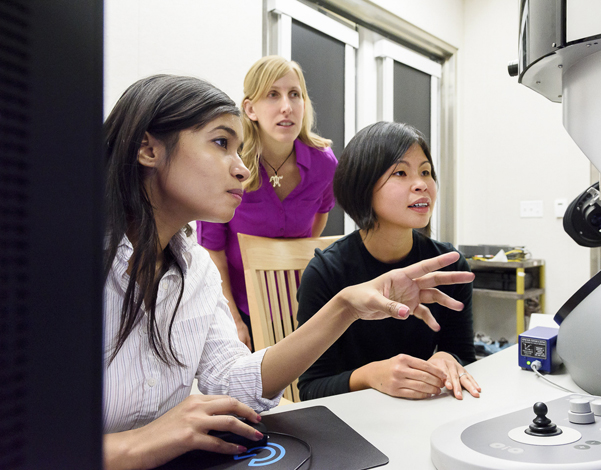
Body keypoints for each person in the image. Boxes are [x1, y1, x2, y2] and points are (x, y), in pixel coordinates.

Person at [102, 75, 474, 470]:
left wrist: (346, 306)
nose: (243, 170)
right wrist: (139, 443)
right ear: (147, 148)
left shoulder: (196, 271)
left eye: (426, 172)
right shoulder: (54, 263)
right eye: (220, 143)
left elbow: (232, 382)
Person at [296, 121, 481, 402]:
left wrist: (448, 358)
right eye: (401, 172)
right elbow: (311, 388)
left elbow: (465, 357)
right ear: (363, 184)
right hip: (351, 421)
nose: (421, 184)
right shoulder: (326, 272)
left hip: (418, 414)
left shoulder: (449, 267)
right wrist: (370, 375)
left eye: (426, 172)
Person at [197, 56, 337, 351]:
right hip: (239, 305)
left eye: (294, 94)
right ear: (250, 109)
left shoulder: (324, 163)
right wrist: (233, 320)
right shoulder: (229, 166)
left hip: (300, 301)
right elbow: (214, 252)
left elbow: (318, 222)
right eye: (273, 95)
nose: (286, 106)